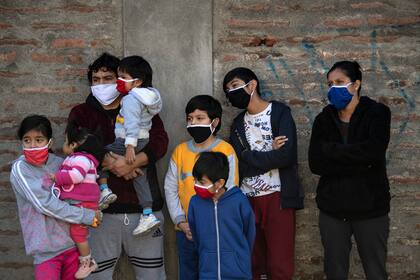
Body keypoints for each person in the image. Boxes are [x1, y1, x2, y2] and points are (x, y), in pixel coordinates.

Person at [68, 53, 168, 279]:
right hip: (98, 214)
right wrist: (115, 164)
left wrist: (134, 161)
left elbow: (160, 140)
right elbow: (79, 145)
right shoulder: (81, 113)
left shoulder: (143, 105)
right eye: (96, 79)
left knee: (152, 275)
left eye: (108, 78)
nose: (101, 84)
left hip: (144, 212)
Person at [308, 61, 391, 280]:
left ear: (356, 85)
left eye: (339, 82)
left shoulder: (377, 113)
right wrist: (357, 158)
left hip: (371, 209)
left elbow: (373, 154)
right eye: (330, 83)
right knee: (335, 272)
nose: (333, 87)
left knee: (375, 271)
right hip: (333, 211)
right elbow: (316, 163)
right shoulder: (323, 119)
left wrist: (332, 151)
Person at [223, 67, 304, 280]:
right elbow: (241, 165)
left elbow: (286, 157)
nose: (231, 91)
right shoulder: (238, 124)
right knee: (253, 262)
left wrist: (251, 156)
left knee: (279, 263)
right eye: (227, 89)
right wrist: (270, 153)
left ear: (252, 85)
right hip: (247, 199)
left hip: (278, 197)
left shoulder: (279, 113)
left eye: (235, 85)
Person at [10, 115, 101, 280]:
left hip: (72, 245)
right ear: (21, 142)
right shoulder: (20, 169)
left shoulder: (61, 163)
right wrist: (85, 216)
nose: (33, 145)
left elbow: (83, 187)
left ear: (49, 142)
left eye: (39, 139)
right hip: (46, 251)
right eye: (27, 140)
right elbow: (44, 205)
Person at [164, 95, 239, 280]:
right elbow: (170, 187)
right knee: (188, 273)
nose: (193, 123)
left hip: (215, 231)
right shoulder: (180, 151)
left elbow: (229, 191)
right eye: (190, 119)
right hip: (185, 231)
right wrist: (180, 221)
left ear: (214, 122)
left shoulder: (225, 150)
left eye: (200, 118)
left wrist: (211, 224)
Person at [99, 55, 162, 236]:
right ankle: (148, 213)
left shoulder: (131, 99)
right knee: (139, 176)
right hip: (143, 139)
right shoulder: (148, 97)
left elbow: (132, 124)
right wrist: (132, 162)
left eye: (123, 78)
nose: (119, 81)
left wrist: (129, 147)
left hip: (131, 140)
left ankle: (103, 189)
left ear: (137, 82)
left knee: (99, 154)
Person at [48, 121, 107, 279]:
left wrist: (57, 178)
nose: (64, 145)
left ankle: (87, 262)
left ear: (74, 144)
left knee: (78, 233)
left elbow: (77, 176)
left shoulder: (81, 159)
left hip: (83, 203)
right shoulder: (76, 158)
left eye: (66, 142)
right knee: (75, 231)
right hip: (78, 202)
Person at [188, 151, 255, 280]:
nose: (196, 185)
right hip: (207, 273)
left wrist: (238, 258)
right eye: (195, 180)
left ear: (219, 183)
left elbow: (249, 233)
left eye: (201, 182)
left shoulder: (239, 201)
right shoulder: (195, 203)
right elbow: (196, 236)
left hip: (238, 274)